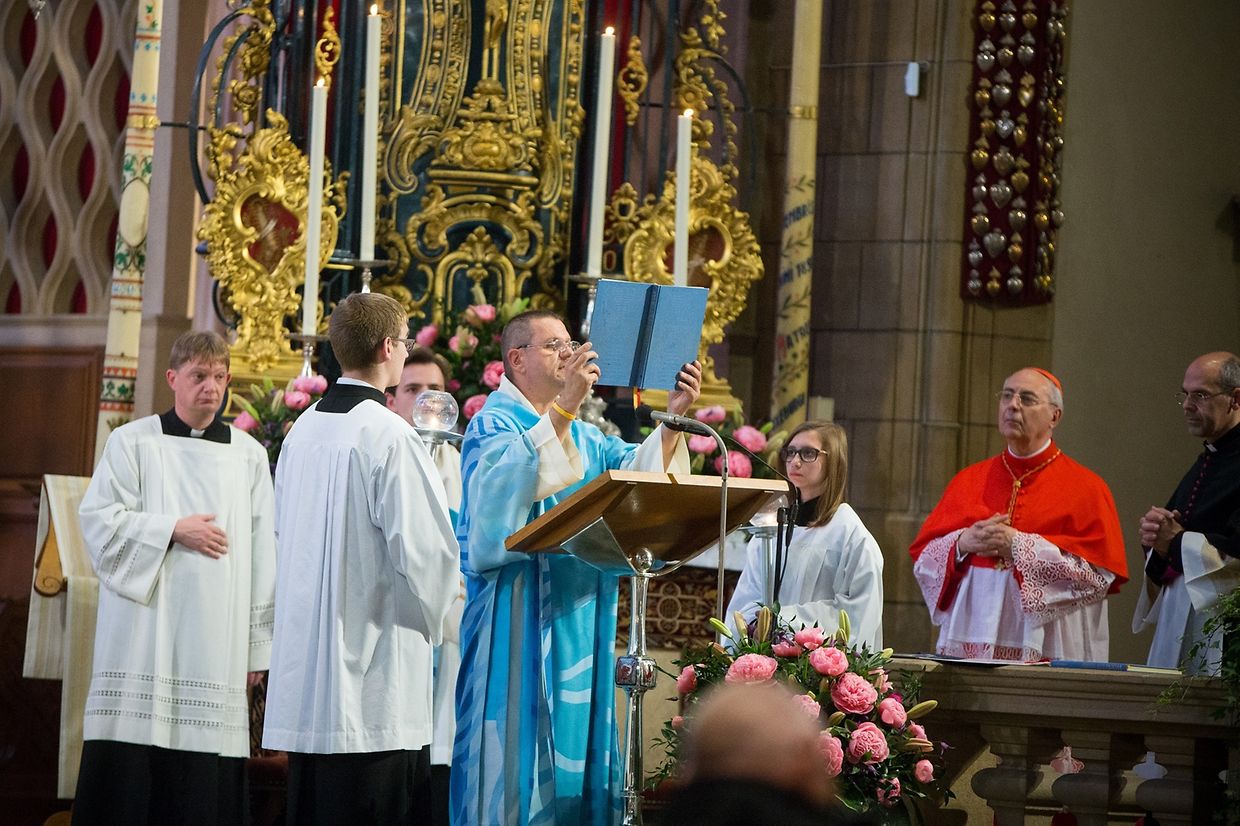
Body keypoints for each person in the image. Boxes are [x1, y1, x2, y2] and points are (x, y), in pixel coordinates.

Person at [450, 309, 700, 825]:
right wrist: (565, 406)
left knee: (575, 749)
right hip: (514, 620)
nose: (569, 353)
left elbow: (634, 471)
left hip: (579, 618)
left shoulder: (586, 437)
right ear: (516, 360)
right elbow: (493, 513)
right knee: (517, 752)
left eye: (569, 344)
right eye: (553, 346)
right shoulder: (493, 423)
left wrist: (673, 422)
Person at [263, 293, 459, 824]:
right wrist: (447, 618)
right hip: (375, 680)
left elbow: (283, 533)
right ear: (388, 347)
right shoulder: (389, 434)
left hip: (310, 676)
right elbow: (425, 552)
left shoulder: (301, 431)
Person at [74, 330, 276, 826]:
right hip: (144, 633)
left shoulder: (248, 455)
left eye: (219, 377)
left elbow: (264, 555)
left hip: (217, 641)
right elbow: (98, 521)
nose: (211, 387)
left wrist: (257, 649)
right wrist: (172, 530)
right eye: (199, 376)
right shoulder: (132, 442)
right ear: (173, 379)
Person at [909, 367, 1128, 662]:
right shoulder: (969, 479)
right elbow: (924, 559)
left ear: (1054, 416)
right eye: (1007, 396)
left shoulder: (1087, 488)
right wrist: (963, 543)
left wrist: (1020, 546)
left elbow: (1098, 576)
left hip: (1049, 633)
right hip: (975, 625)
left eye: (1026, 398)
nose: (1012, 405)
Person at [384, 346, 464, 826]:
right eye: (412, 390)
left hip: (452, 636)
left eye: (433, 392)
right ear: (393, 400)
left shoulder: (467, 465)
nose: (425, 403)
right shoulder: (384, 458)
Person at [726, 420, 885, 650]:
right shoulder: (772, 529)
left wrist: (780, 622)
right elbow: (745, 601)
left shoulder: (848, 533)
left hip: (819, 671)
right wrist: (752, 625)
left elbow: (858, 613)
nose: (795, 461)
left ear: (833, 461)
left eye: (808, 453)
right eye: (790, 452)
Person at [1134, 352, 1240, 674]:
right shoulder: (1207, 459)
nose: (1187, 405)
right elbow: (1176, 544)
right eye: (1185, 394)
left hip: (1224, 626)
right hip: (1180, 614)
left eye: (1201, 395)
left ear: (1235, 399)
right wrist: (1158, 540)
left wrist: (1176, 541)